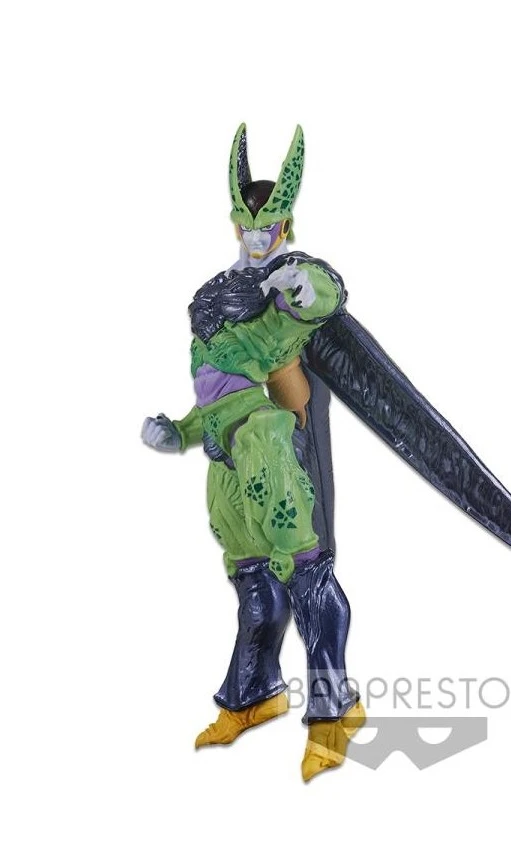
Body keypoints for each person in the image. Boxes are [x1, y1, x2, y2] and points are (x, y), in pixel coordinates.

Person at [141, 123, 364, 782]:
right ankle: (253, 694)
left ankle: (334, 712)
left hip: (265, 441)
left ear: (285, 224)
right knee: (253, 582)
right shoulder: (219, 292)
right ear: (234, 223)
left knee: (308, 574)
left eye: (268, 226)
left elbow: (323, 295)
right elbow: (217, 390)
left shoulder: (285, 283)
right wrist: (179, 432)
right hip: (223, 449)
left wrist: (305, 285)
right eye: (247, 224)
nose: (257, 235)